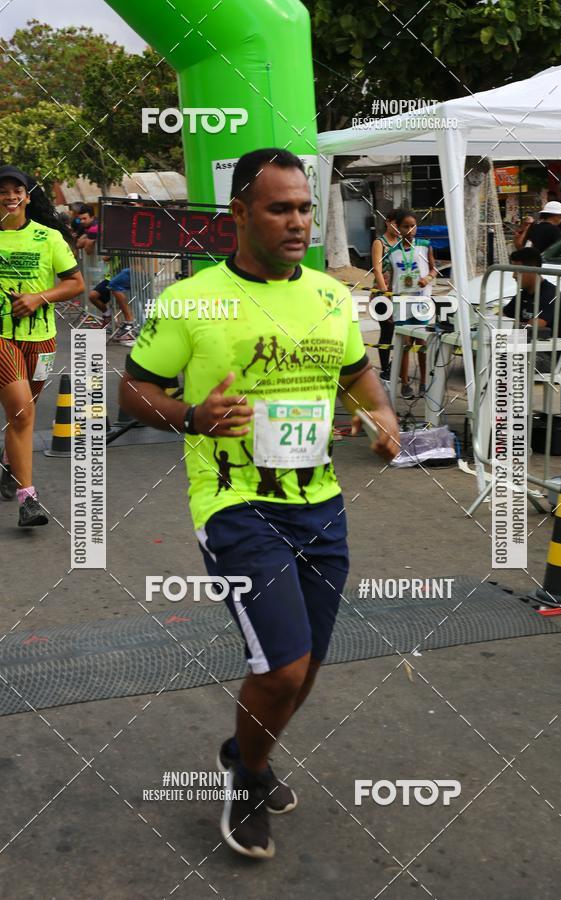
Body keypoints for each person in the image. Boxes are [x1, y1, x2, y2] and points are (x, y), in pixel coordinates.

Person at [119, 147, 400, 859]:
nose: (298, 222)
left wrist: (384, 417)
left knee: (305, 667)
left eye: (304, 207)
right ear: (240, 214)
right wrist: (191, 416)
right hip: (236, 504)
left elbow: (359, 373)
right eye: (280, 208)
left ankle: (247, 750)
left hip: (322, 504)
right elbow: (133, 389)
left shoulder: (331, 296)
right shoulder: (191, 300)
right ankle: (247, 780)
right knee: (282, 668)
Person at [0, 165, 84, 526]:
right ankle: (28, 500)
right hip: (2, 336)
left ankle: (9, 465)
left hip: (41, 338)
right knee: (20, 411)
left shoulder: (48, 238)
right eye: (2, 190)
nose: (10, 195)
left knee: (26, 413)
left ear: (27, 196)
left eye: (16, 189)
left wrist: (39, 298)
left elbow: (75, 283)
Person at [387, 209, 436, 399]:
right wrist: (390, 303)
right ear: (398, 228)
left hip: (421, 300)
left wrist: (428, 278)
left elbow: (434, 269)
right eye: (406, 226)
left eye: (413, 226)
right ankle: (405, 383)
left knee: (422, 342)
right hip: (401, 302)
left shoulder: (424, 245)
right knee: (404, 344)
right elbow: (392, 279)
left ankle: (424, 381)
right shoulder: (392, 252)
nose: (410, 229)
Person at [504, 246, 561, 373]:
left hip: (547, 357)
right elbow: (501, 315)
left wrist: (506, 326)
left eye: (518, 270)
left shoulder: (551, 295)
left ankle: (502, 392)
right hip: (525, 348)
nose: (513, 275)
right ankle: (493, 392)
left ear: (532, 270)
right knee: (492, 351)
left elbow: (534, 328)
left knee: (502, 356)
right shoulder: (524, 294)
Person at [370, 211, 401, 383]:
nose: (398, 229)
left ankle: (395, 365)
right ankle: (385, 369)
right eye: (395, 224)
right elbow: (377, 269)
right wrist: (385, 293)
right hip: (382, 295)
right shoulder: (379, 243)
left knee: (400, 330)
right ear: (387, 222)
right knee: (387, 330)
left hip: (399, 293)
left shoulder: (402, 243)